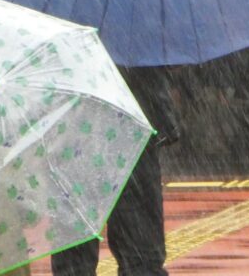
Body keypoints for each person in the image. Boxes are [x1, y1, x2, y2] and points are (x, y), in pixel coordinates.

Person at [51, 66, 179, 276]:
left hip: (75, 129)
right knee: (141, 252)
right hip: (133, 125)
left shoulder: (67, 42)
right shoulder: (136, 42)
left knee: (74, 254)